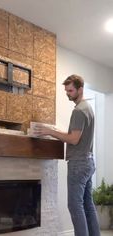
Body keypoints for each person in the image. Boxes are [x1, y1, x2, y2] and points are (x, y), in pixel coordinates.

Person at [33, 74, 100, 236]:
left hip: (78, 164)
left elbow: (74, 139)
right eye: (66, 90)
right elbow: (76, 135)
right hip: (88, 162)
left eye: (70, 90)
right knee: (87, 204)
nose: (67, 93)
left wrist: (50, 131)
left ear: (80, 89)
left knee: (75, 205)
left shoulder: (79, 111)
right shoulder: (88, 108)